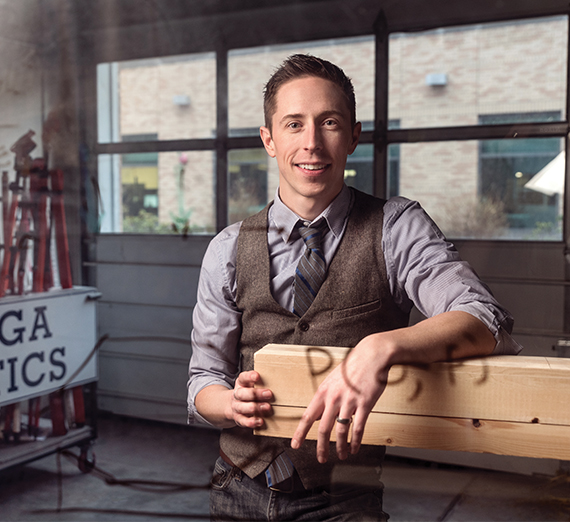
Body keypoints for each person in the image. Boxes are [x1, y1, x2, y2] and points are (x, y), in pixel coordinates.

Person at [187, 54, 521, 521]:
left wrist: (382, 348)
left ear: (354, 136)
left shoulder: (396, 228)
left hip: (344, 499)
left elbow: (486, 321)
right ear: (269, 139)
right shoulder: (226, 249)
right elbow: (202, 380)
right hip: (235, 487)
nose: (312, 143)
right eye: (293, 124)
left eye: (329, 122)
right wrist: (229, 403)